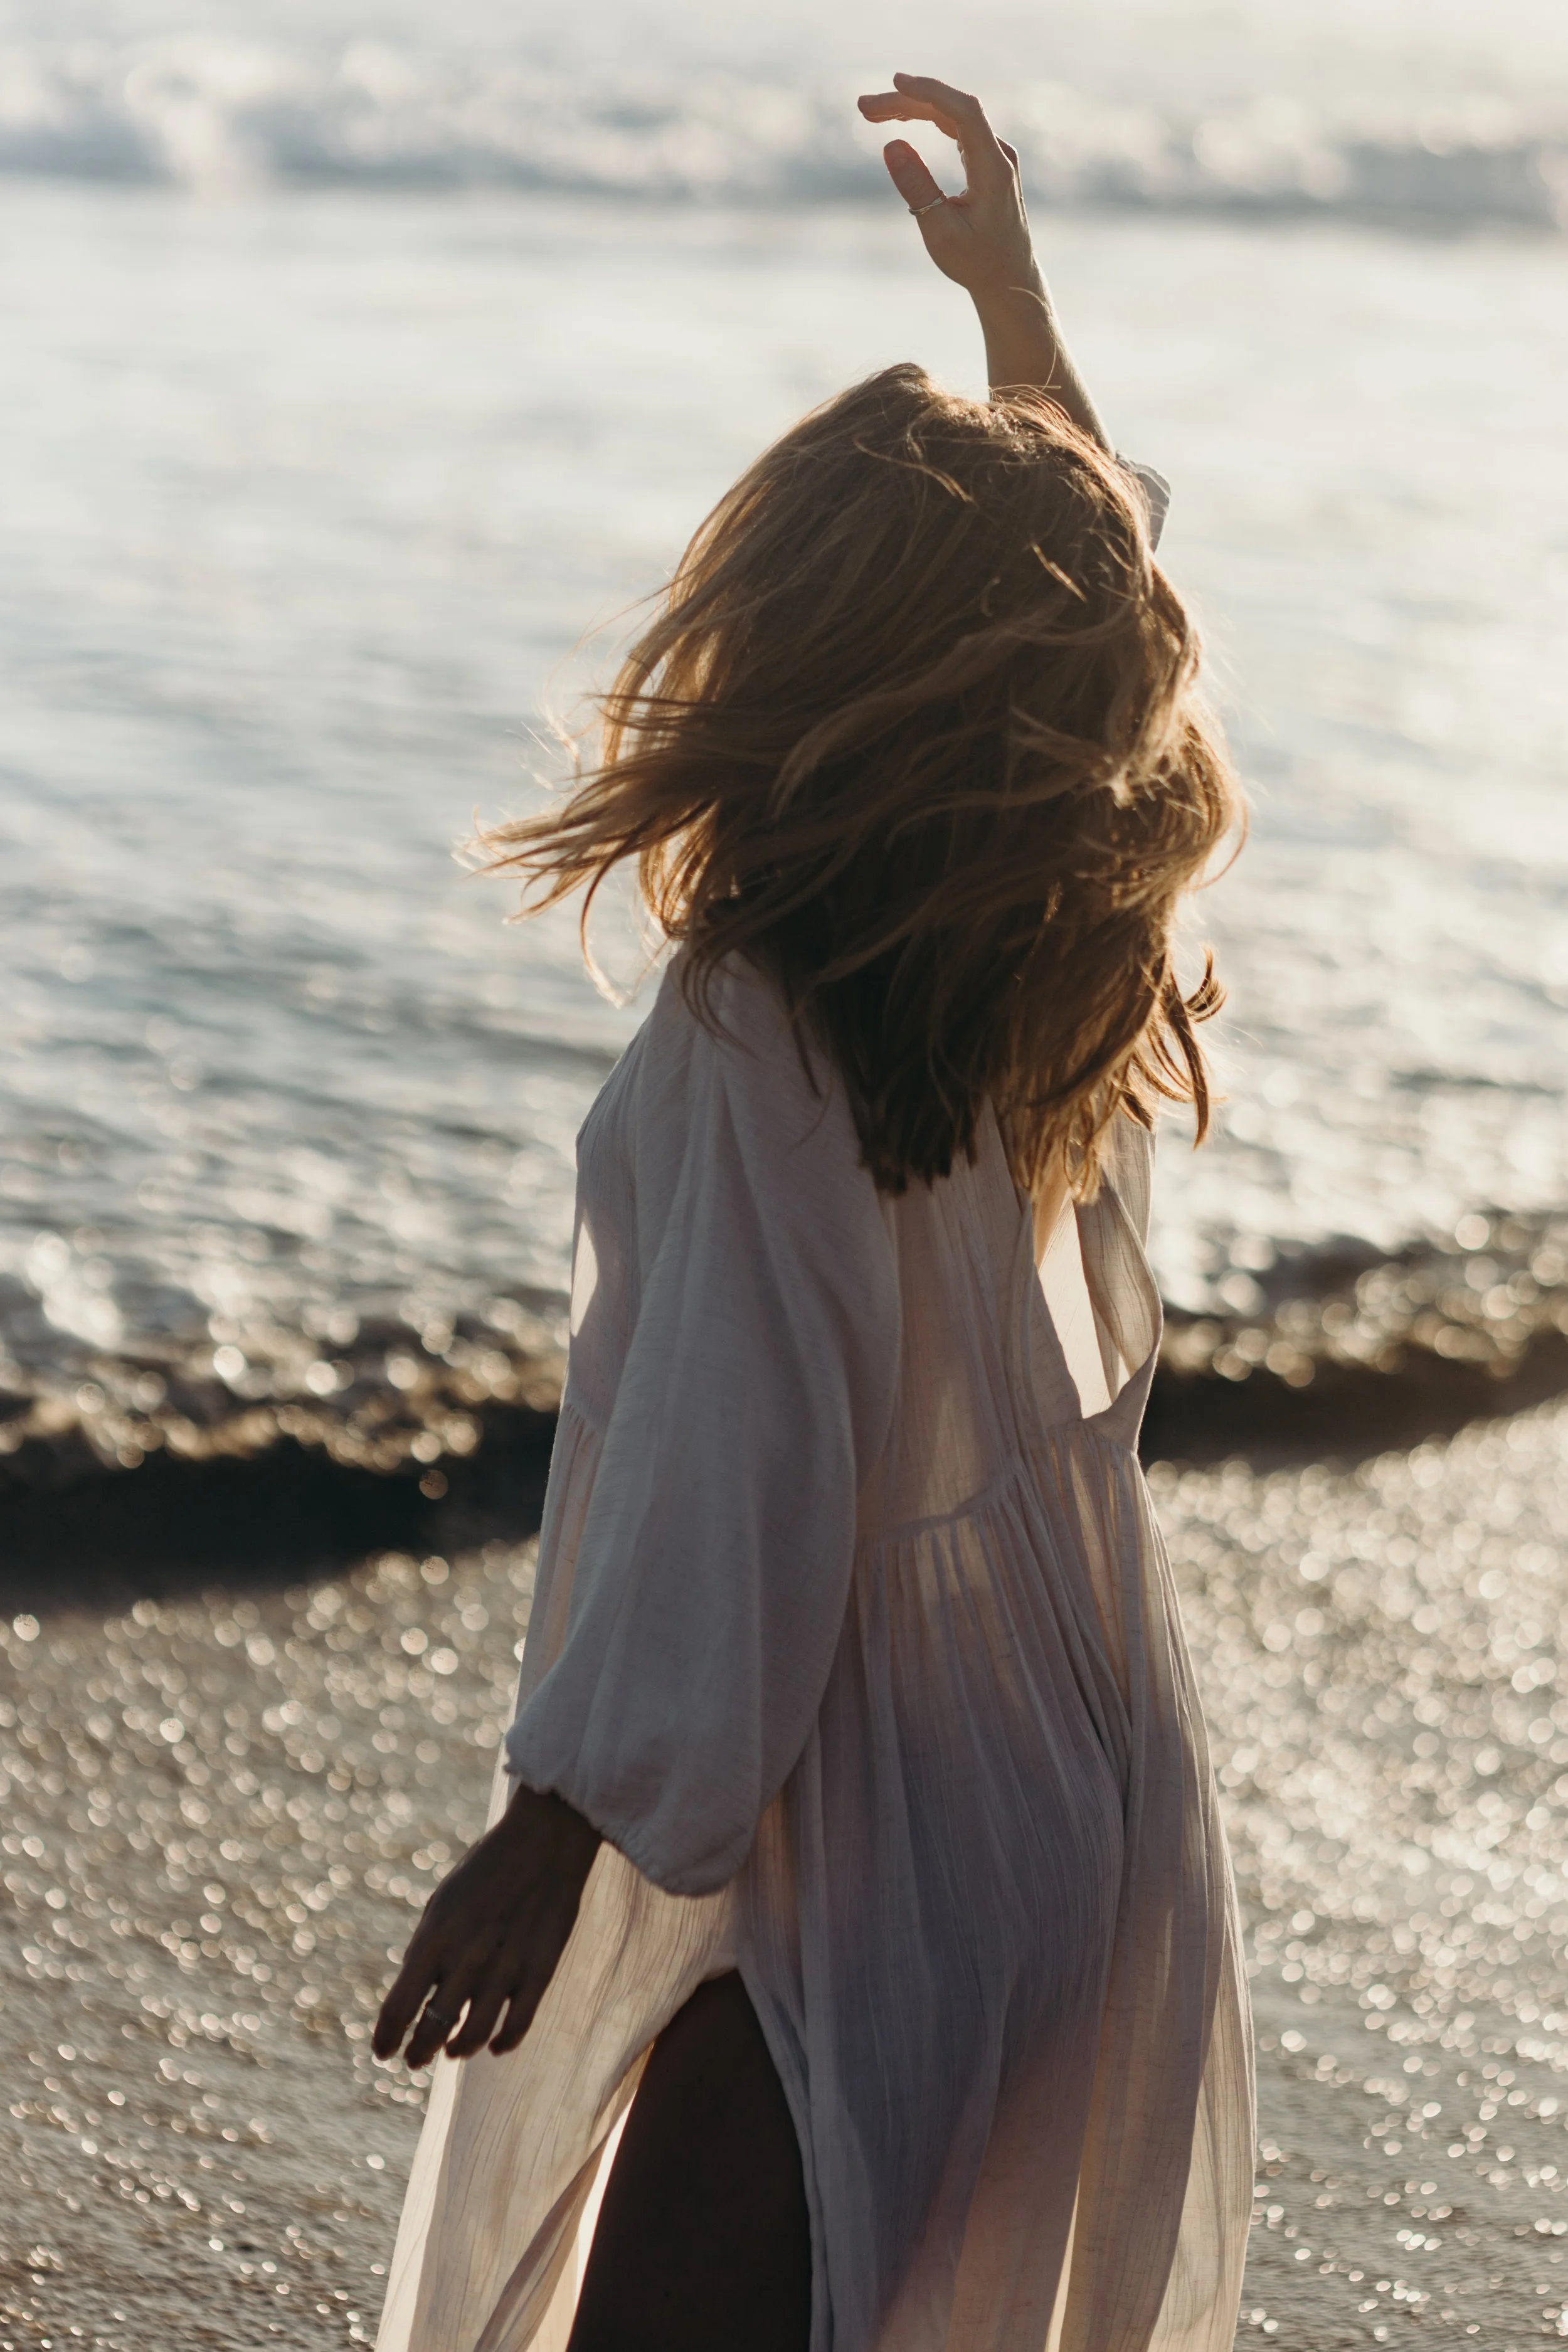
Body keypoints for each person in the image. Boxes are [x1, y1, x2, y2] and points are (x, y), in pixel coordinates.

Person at [372, 72, 1254, 2352]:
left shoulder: (761, 1023)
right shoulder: (1064, 957)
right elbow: (1108, 608)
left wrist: (555, 1826)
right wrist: (1013, 313)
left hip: (862, 1810)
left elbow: (728, 1475)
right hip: (1073, 1791)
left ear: (795, 666)